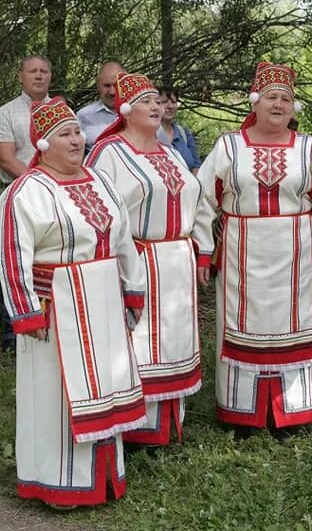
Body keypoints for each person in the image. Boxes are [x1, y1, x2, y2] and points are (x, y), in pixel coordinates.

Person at [0, 96, 147, 508]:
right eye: (64, 134)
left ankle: (104, 479)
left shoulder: (100, 182)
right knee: (56, 396)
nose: (76, 139)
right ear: (43, 144)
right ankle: (59, 482)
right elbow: (13, 256)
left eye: (77, 131)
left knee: (106, 385)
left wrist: (133, 290)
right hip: (56, 310)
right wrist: (27, 313)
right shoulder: (25, 192)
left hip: (102, 303)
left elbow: (124, 242)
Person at [198, 62, 312, 438]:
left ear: (294, 107)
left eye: (286, 98)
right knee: (241, 327)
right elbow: (200, 200)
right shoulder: (229, 146)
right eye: (271, 97)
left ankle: (291, 412)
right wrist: (202, 249)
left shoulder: (309, 149)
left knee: (293, 327)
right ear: (255, 102)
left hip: (293, 255)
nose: (278, 104)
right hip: (240, 254)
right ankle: (241, 412)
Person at [85, 72, 214, 445]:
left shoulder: (172, 153)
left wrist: (202, 249)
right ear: (125, 110)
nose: (156, 106)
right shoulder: (109, 153)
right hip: (138, 260)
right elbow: (100, 211)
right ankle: (136, 427)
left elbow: (198, 201)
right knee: (139, 341)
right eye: (146, 101)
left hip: (177, 260)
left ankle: (171, 423)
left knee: (174, 338)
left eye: (158, 100)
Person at [0, 54, 52, 352]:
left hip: (56, 200)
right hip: (20, 197)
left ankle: (52, 321)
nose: (38, 76)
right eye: (32, 71)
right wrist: (40, 183)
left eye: (43, 71)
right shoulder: (6, 113)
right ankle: (14, 332)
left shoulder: (61, 111)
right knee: (18, 261)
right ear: (20, 76)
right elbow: (6, 158)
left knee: (50, 262)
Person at [77, 61, 124, 152]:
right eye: (106, 85)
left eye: (116, 85)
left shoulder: (139, 112)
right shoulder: (83, 116)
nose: (112, 92)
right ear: (98, 86)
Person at [156, 86, 200, 173]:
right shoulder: (149, 134)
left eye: (173, 102)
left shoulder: (184, 133)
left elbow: (196, 165)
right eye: (164, 102)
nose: (170, 106)